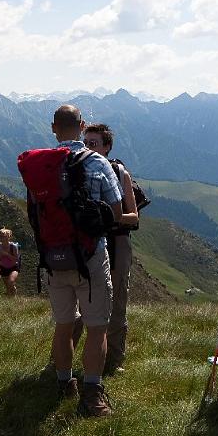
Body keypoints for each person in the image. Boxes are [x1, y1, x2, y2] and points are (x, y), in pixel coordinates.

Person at [37, 104, 123, 417]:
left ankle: (63, 384)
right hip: (91, 257)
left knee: (63, 326)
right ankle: (92, 395)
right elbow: (115, 211)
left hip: (54, 258)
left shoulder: (40, 164)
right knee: (97, 327)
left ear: (53, 128)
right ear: (82, 125)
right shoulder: (97, 161)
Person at [82, 123, 140, 376]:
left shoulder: (119, 173)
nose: (87, 148)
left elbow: (133, 217)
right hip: (90, 244)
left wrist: (105, 217)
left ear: (107, 147)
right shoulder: (79, 170)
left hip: (116, 243)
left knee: (116, 303)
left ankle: (114, 361)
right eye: (85, 142)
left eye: (93, 144)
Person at [0, 227, 21, 296]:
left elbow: (16, 259)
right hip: (3, 268)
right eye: (0, 236)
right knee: (8, 287)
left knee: (11, 281)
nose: (1, 238)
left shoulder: (13, 246)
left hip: (13, 267)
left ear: (8, 237)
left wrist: (6, 254)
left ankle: (14, 296)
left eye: (3, 236)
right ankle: (11, 300)